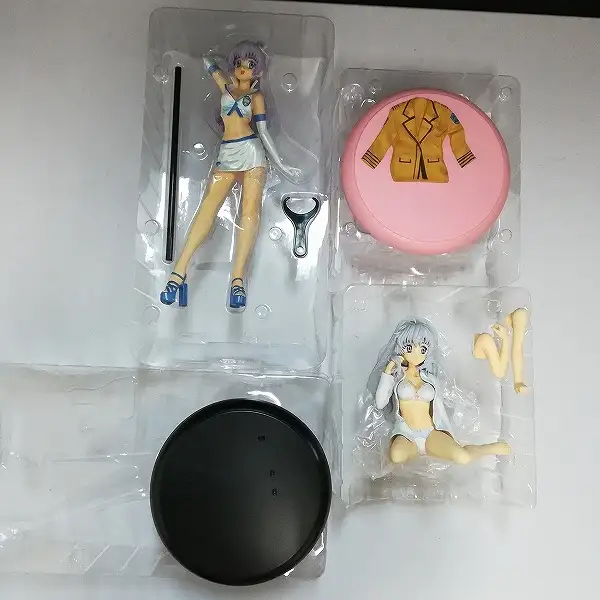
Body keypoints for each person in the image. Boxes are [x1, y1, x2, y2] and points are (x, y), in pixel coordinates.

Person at [160, 40, 300, 310]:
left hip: (252, 154)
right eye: (238, 63)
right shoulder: (226, 87)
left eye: (250, 64)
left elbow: (264, 133)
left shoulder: (256, 98)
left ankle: (238, 280)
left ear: (258, 70)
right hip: (227, 152)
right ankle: (179, 271)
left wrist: (282, 165)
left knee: (249, 213)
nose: (243, 68)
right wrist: (212, 54)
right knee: (208, 207)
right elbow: (208, 63)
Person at [373, 318, 511, 464]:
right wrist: (389, 370)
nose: (416, 354)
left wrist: (465, 405)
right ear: (401, 348)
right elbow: (380, 403)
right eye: (409, 348)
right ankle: (418, 454)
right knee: (396, 456)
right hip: (407, 434)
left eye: (423, 349)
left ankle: (487, 448)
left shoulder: (430, 379)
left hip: (431, 433)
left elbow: (446, 398)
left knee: (462, 458)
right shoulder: (397, 378)